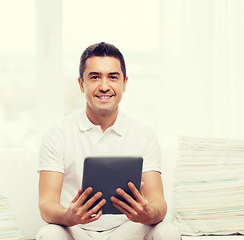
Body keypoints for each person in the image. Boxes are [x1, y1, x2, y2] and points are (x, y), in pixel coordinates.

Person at [36, 42, 181, 240]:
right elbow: (46, 204)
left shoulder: (144, 135)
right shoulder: (57, 134)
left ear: (124, 83)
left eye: (113, 77)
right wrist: (68, 216)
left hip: (129, 230)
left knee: (168, 231)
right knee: (49, 233)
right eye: (95, 77)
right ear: (81, 84)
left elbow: (159, 205)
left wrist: (147, 214)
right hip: (77, 230)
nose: (104, 86)